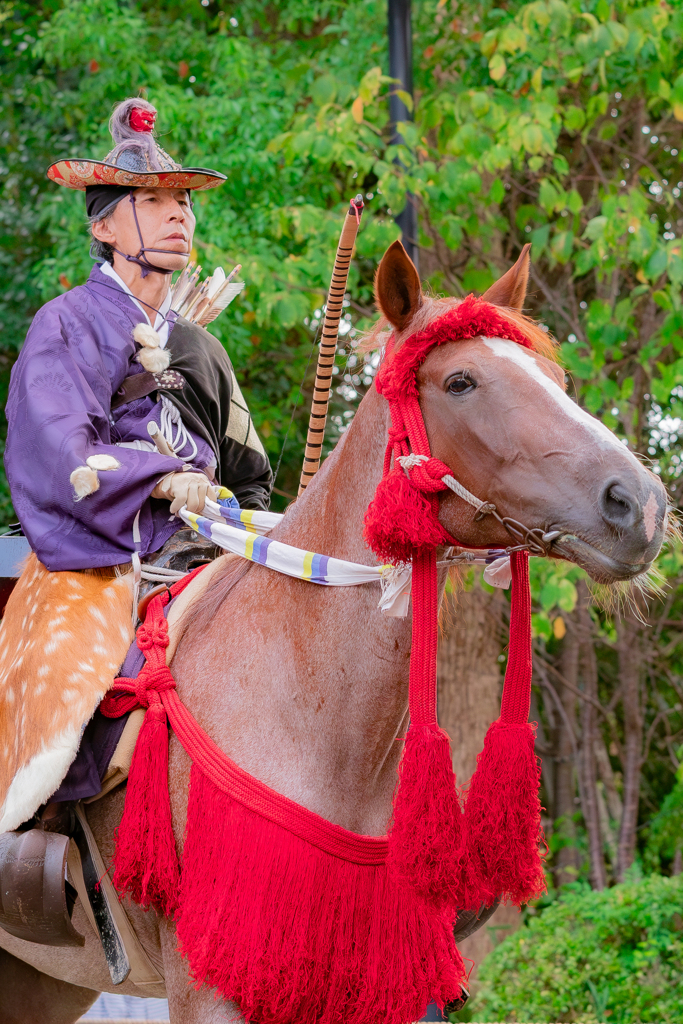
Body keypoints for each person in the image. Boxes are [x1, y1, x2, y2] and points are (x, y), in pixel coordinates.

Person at [5, 96, 272, 578]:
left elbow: (250, 476)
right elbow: (57, 444)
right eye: (152, 201)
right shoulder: (66, 321)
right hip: (103, 556)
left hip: (210, 550)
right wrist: (163, 480)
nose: (178, 215)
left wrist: (241, 545)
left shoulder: (203, 347)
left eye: (183, 202)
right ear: (103, 227)